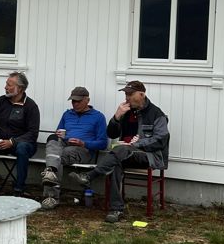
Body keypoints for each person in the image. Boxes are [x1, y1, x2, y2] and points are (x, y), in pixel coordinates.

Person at [70, 80, 169, 223]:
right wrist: (116, 117)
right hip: (124, 154)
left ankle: (90, 176)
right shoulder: (126, 111)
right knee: (116, 162)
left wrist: (137, 144)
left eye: (130, 94)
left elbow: (161, 140)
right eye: (126, 94)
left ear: (141, 94)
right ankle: (116, 209)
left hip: (149, 156)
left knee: (120, 150)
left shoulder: (156, 114)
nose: (127, 98)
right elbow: (111, 134)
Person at [39, 86, 107, 210]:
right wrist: (64, 137)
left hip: (83, 150)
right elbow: (59, 133)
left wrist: (83, 143)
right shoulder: (67, 114)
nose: (75, 104)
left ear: (87, 100)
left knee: (56, 157)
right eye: (73, 101)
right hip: (65, 146)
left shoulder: (98, 117)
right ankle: (51, 172)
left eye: (78, 101)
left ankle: (51, 196)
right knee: (53, 139)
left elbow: (103, 143)